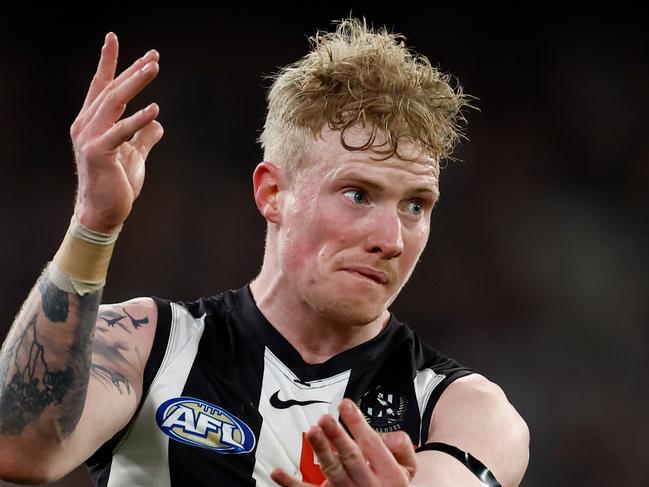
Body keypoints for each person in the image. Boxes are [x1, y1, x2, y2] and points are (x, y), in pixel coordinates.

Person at [0, 18, 529, 487]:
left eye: (416, 205)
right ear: (273, 194)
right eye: (358, 195)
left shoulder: (466, 410)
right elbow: (18, 449)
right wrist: (93, 225)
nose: (391, 239)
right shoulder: (149, 346)